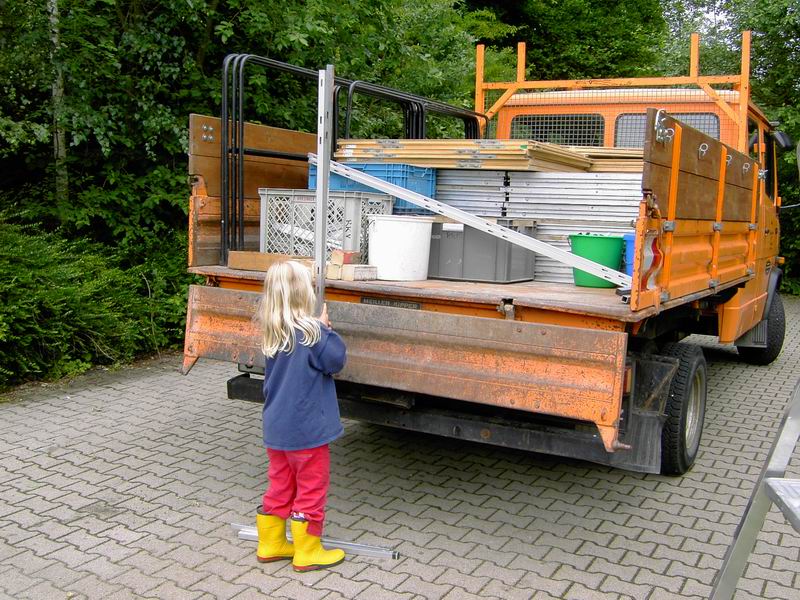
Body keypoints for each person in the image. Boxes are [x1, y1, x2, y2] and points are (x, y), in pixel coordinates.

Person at [255, 260, 347, 572]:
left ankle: (270, 543)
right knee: (311, 486)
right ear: (302, 294)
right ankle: (308, 550)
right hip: (307, 431)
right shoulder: (313, 333)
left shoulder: (272, 332)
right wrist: (325, 328)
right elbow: (336, 361)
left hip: (276, 429)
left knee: (280, 484)